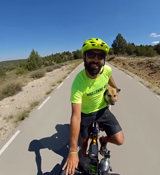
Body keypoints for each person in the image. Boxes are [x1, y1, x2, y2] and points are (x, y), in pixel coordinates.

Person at [62, 38, 124, 175]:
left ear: (104, 60)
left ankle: (102, 140)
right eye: (91, 55)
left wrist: (115, 88)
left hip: (102, 110)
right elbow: (76, 116)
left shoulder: (106, 70)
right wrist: (72, 151)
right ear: (84, 57)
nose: (96, 60)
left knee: (119, 140)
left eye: (100, 56)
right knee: (84, 141)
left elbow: (109, 76)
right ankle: (82, 157)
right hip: (85, 113)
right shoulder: (79, 82)